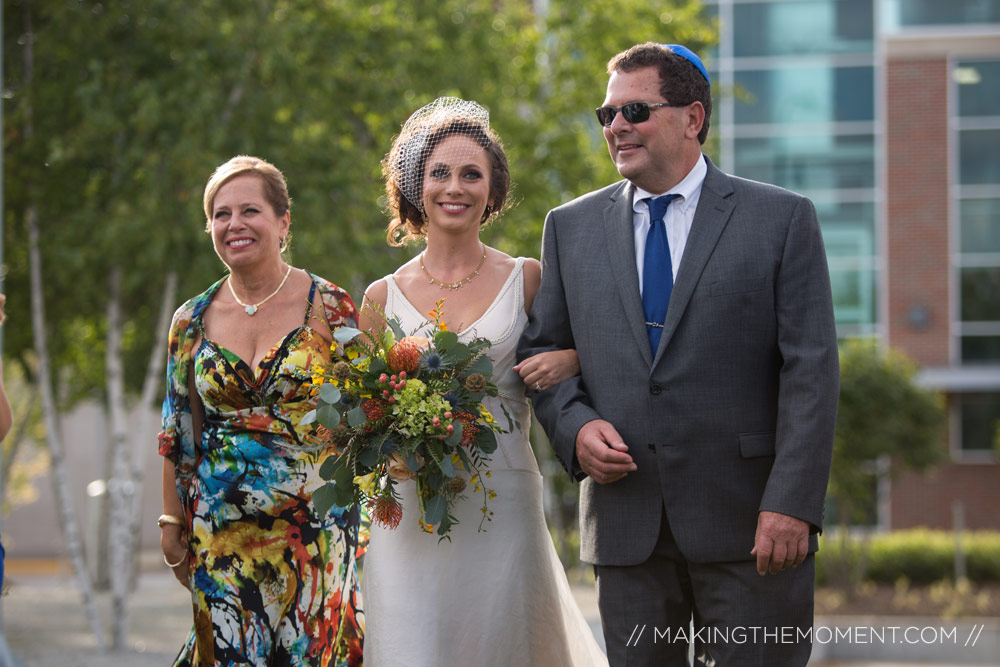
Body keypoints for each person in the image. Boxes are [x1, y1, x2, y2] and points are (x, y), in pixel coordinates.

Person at [518, 43, 839, 666]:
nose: (616, 126)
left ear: (692, 118)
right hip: (627, 530)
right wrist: (577, 428)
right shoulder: (570, 227)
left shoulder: (782, 219)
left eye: (634, 110)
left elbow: (812, 374)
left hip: (754, 528)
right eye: (606, 114)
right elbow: (543, 357)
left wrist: (792, 504)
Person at [359, 97, 608, 667]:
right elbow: (365, 409)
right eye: (439, 172)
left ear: (492, 191)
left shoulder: (527, 277)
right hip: (410, 508)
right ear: (414, 185)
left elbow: (588, 353)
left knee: (502, 644)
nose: (455, 186)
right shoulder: (380, 297)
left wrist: (571, 358)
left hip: (503, 501)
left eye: (472, 173)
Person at [158, 156, 364, 666]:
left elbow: (365, 416)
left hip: (316, 533)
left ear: (283, 221)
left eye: (250, 210)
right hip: (221, 534)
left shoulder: (331, 306)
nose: (235, 224)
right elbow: (178, 430)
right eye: (221, 214)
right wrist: (170, 526)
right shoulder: (191, 320)